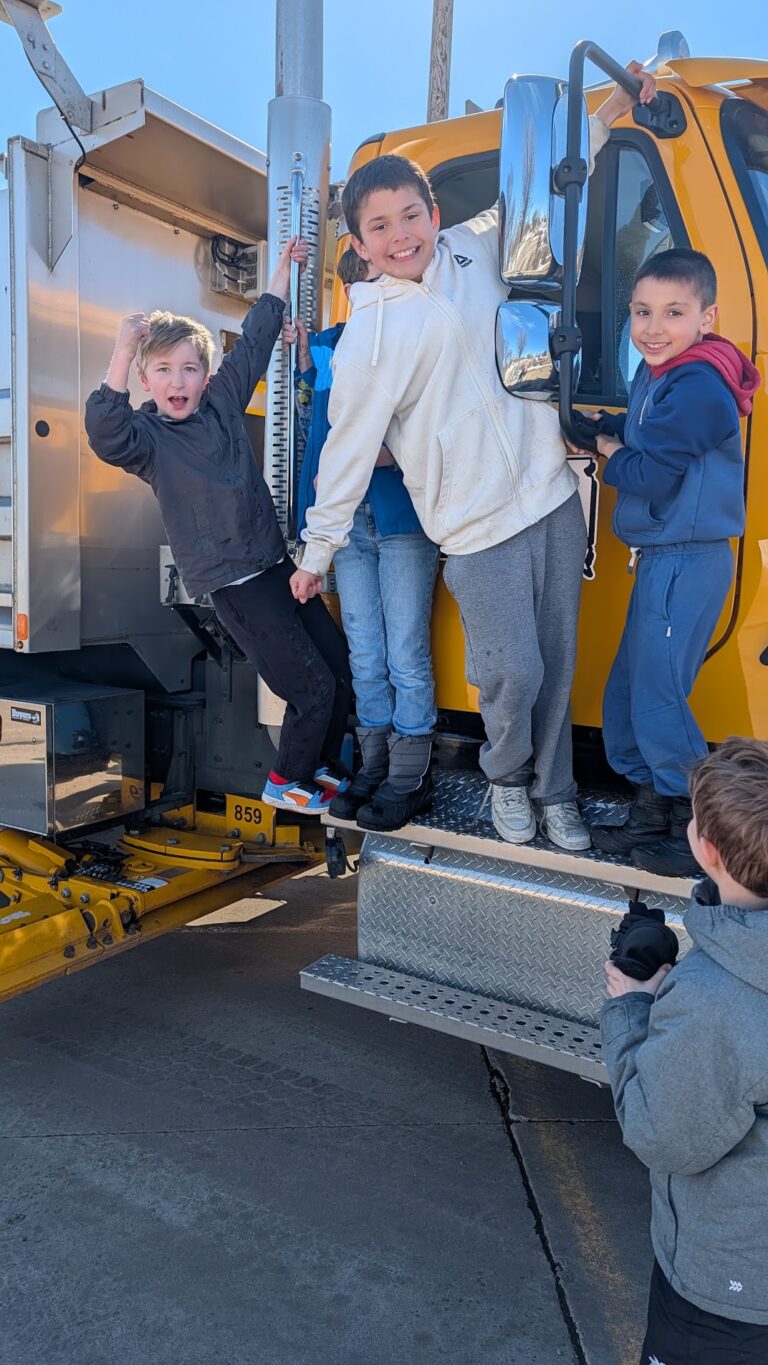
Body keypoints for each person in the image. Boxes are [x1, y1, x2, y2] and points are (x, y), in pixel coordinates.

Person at [288, 62, 656, 852]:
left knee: (557, 664)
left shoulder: (473, 248)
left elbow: (563, 183)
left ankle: (557, 792)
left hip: (552, 496)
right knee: (511, 672)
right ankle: (505, 775)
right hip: (473, 524)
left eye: (411, 214)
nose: (401, 235)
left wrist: (616, 106)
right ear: (359, 244)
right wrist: (317, 551)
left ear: (433, 211)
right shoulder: (369, 339)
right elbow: (346, 452)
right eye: (380, 226)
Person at [84, 238, 353, 815]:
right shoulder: (147, 440)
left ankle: (322, 766)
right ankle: (286, 780)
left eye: (189, 368)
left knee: (340, 668)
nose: (177, 380)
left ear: (206, 375)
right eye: (162, 370)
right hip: (235, 584)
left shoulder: (224, 402)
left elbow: (256, 341)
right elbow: (104, 430)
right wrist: (124, 343)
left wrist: (281, 271)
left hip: (275, 564)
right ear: (147, 381)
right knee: (310, 688)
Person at [589, 249, 760, 876]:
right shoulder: (662, 373)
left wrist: (604, 446)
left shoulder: (699, 384)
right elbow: (644, 433)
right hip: (662, 557)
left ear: (706, 318)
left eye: (673, 313)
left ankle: (701, 832)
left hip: (688, 559)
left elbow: (650, 472)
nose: (653, 328)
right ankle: (649, 811)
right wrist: (605, 426)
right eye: (641, 312)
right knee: (631, 689)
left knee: (661, 696)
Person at [601, 737, 768, 1365]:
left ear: (704, 849)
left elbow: (660, 1134)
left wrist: (634, 1009)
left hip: (730, 1298)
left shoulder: (712, 999)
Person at [285, 247, 440, 830]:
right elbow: (315, 421)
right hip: (344, 524)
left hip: (402, 516)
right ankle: (373, 768)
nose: (370, 296)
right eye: (360, 285)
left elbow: (430, 429)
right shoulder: (326, 345)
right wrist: (303, 362)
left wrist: (374, 457)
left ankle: (410, 776)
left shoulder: (416, 343)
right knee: (367, 655)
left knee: (405, 652)